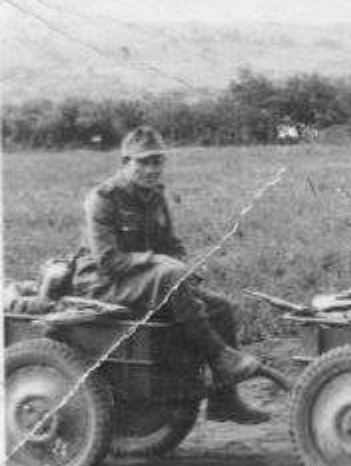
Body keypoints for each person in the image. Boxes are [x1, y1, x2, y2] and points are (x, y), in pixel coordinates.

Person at [71, 126, 270, 424]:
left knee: (219, 307)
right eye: (143, 162)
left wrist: (182, 268)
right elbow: (109, 261)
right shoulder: (104, 198)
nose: (151, 170)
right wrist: (163, 264)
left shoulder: (154, 196)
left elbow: (171, 245)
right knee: (171, 274)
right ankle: (220, 356)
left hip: (143, 280)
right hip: (102, 283)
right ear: (125, 163)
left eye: (157, 162)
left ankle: (225, 401)